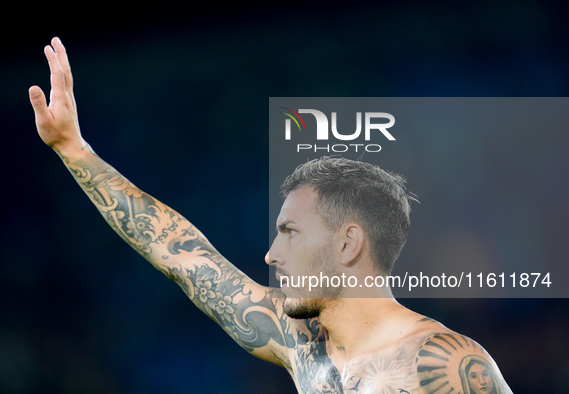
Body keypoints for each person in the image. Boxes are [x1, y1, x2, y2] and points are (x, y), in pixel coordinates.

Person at [29, 37, 512, 393]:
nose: (271, 253)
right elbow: (179, 252)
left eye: (291, 233)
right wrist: (74, 150)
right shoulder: (300, 341)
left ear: (348, 244)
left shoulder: (450, 366)